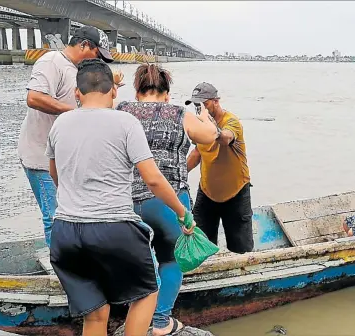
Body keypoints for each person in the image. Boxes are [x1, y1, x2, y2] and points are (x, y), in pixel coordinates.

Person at [46, 58, 195, 336]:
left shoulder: (60, 124)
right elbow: (152, 178)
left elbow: (56, 176)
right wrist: (182, 212)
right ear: (114, 91)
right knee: (147, 292)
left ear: (77, 92)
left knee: (96, 314)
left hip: (65, 232)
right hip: (112, 228)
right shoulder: (126, 122)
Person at [115, 64, 218, 336]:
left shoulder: (122, 111)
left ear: (137, 92)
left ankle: (136, 319)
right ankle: (161, 321)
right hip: (169, 200)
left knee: (138, 262)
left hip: (125, 200)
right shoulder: (178, 113)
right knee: (171, 259)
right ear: (167, 93)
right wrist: (206, 117)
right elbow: (210, 138)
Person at [18, 25, 120, 246]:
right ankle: (61, 269)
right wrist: (76, 113)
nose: (99, 60)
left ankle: (74, 263)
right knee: (54, 216)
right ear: (83, 45)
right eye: (97, 54)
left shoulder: (78, 71)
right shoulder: (51, 62)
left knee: (75, 214)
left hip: (67, 158)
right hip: (41, 157)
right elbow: (34, 98)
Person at [185, 82, 254, 254]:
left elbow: (225, 138)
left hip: (236, 192)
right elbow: (197, 153)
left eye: (204, 104)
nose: (200, 109)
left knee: (241, 249)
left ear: (216, 101)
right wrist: (176, 175)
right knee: (200, 244)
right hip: (207, 192)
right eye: (196, 105)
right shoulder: (200, 125)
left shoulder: (231, 121)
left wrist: (209, 127)